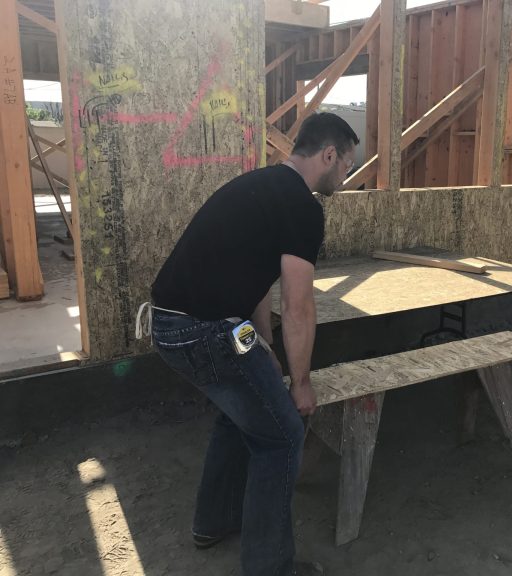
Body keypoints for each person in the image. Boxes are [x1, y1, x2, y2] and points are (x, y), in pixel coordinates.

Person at [139, 112, 359, 576]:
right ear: (328, 155)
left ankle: (213, 523)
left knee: (242, 413)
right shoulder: (302, 207)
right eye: (347, 164)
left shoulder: (260, 185)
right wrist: (301, 382)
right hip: (205, 331)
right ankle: (269, 567)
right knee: (283, 435)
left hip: (170, 324)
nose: (347, 175)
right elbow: (298, 305)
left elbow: (256, 281)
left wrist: (263, 344)